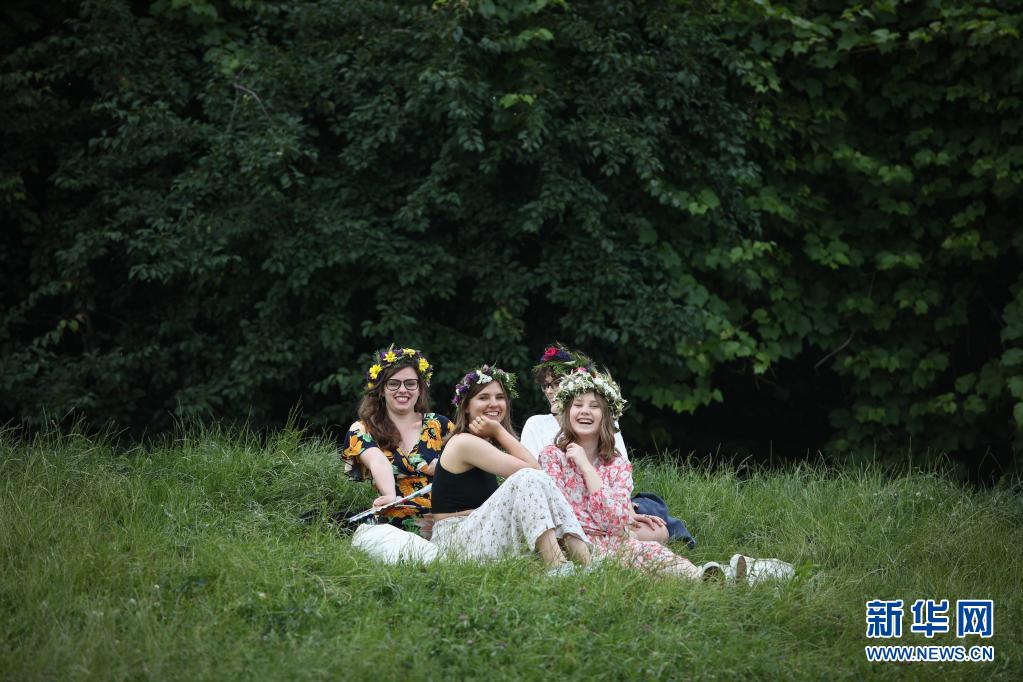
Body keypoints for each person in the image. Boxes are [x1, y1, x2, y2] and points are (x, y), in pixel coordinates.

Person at [539, 369, 754, 581]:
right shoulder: (553, 457)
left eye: (594, 406)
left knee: (653, 553)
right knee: (630, 567)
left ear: (605, 416)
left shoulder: (617, 465)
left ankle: (711, 577)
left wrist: (586, 467)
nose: (585, 411)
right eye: (578, 405)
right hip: (576, 545)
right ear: (567, 412)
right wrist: (610, 524)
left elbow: (616, 522)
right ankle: (715, 577)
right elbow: (561, 515)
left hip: (615, 541)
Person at [430, 364, 592, 574]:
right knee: (529, 477)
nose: (494, 403)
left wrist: (497, 433)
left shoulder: (483, 444)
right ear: (466, 406)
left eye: (500, 397)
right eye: (483, 397)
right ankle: (558, 566)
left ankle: (585, 562)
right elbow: (533, 469)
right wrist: (499, 431)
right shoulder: (463, 442)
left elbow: (536, 474)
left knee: (532, 479)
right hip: (456, 542)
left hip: (479, 531)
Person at [521, 344, 678, 545]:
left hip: (606, 500)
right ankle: (605, 540)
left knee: (659, 529)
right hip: (564, 506)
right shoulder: (537, 427)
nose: (550, 391)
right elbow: (534, 476)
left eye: (557, 383)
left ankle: (608, 539)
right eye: (546, 386)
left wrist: (626, 511)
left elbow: (618, 470)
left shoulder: (604, 424)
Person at [341, 345, 452, 523]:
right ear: (381, 390)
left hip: (447, 517)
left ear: (420, 389)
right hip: (395, 518)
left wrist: (446, 467)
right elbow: (378, 461)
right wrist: (389, 495)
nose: (402, 390)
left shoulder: (440, 425)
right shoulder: (363, 429)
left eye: (410, 383)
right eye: (393, 383)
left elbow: (467, 461)